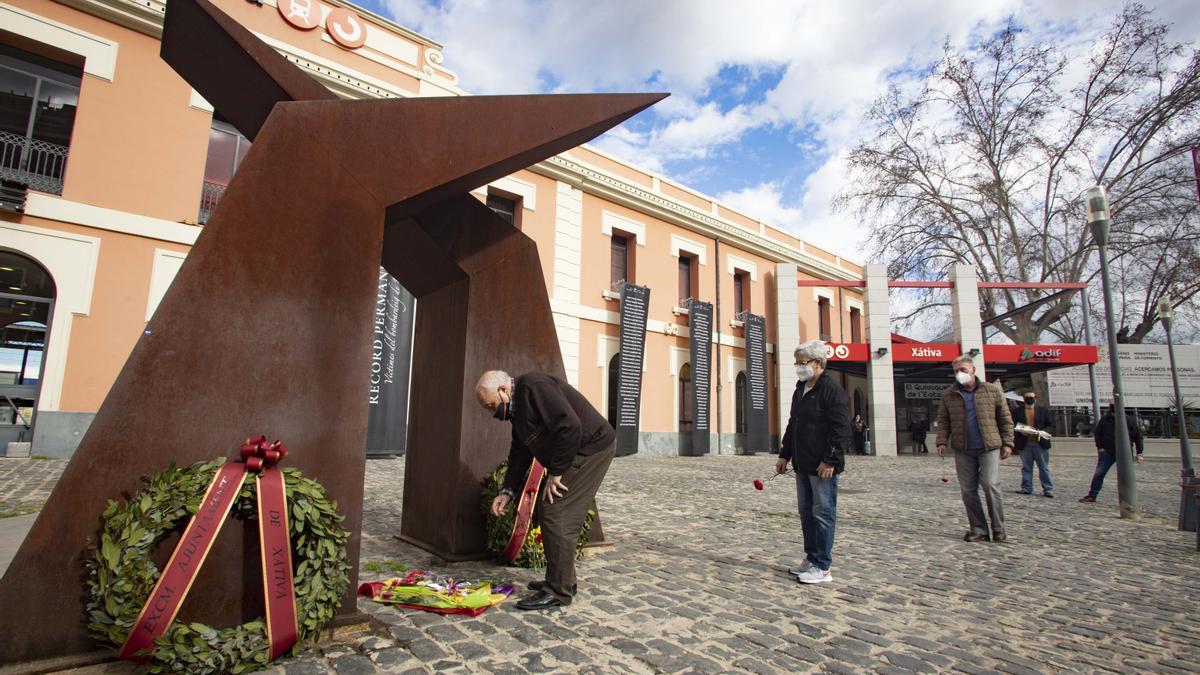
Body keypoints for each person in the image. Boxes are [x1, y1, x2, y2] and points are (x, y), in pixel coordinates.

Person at [477, 370, 615, 610]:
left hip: (592, 447)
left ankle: (558, 591)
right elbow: (519, 452)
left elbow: (570, 426)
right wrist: (507, 491)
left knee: (557, 510)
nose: (492, 414)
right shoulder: (518, 409)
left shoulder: (534, 386)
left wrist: (556, 473)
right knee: (552, 510)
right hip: (579, 450)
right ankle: (562, 580)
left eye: (491, 406)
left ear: (503, 390)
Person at [776, 339, 850, 584]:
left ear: (818, 363)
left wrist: (830, 460)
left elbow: (841, 429)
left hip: (823, 466)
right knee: (806, 512)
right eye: (796, 363)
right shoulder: (801, 388)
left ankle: (823, 566)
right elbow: (793, 423)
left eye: (803, 362)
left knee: (823, 513)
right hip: (802, 462)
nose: (798, 367)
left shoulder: (831, 390)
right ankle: (811, 557)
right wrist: (784, 454)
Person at [935, 356, 1014, 543]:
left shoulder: (991, 391)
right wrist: (941, 441)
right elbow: (944, 421)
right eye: (956, 371)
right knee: (968, 490)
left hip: (989, 446)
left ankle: (998, 528)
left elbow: (1005, 418)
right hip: (963, 448)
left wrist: (1008, 443)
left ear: (973, 370)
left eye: (963, 369)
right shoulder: (949, 394)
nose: (959, 374)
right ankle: (979, 529)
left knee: (989, 484)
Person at [1079, 402, 1144, 503]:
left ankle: (1128, 498)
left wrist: (1139, 452)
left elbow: (1137, 437)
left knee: (1125, 476)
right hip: (1108, 451)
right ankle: (1092, 495)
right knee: (1099, 473)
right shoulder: (1105, 419)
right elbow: (1098, 434)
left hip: (1124, 452)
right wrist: (1100, 447)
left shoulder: (1129, 420)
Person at [1013, 390, 1054, 498]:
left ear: (1035, 399)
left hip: (1040, 443)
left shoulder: (1043, 411)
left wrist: (1041, 431)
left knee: (1043, 467)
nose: (1029, 400)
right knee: (1026, 467)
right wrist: (1020, 431)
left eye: (1031, 397)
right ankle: (1026, 488)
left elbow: (1051, 426)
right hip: (1025, 443)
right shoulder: (1017, 412)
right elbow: (1012, 425)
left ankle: (1048, 489)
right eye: (1027, 397)